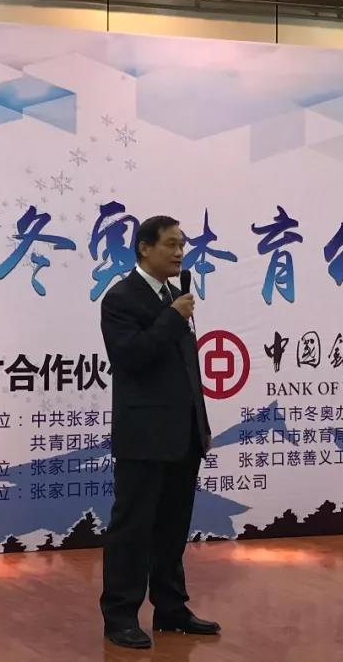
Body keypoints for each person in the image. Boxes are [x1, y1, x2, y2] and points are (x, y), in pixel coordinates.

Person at [98, 215, 220, 650]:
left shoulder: (175, 296)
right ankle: (120, 617)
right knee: (132, 529)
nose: (179, 252)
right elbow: (130, 357)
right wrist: (172, 318)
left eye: (182, 245)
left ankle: (171, 609)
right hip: (144, 435)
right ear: (144, 248)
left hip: (182, 435)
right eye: (170, 244)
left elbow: (187, 370)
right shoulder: (121, 298)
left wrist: (201, 424)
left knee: (172, 528)